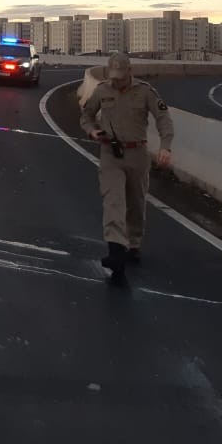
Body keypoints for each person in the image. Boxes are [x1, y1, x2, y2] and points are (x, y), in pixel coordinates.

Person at [79, 51, 174, 285]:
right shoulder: (102, 90)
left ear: (130, 71)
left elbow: (163, 118)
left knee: (135, 201)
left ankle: (133, 244)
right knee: (113, 200)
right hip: (111, 153)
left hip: (137, 153)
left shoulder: (145, 92)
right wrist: (92, 131)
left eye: (121, 75)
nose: (117, 80)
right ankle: (116, 252)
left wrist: (166, 147)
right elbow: (86, 116)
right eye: (114, 75)